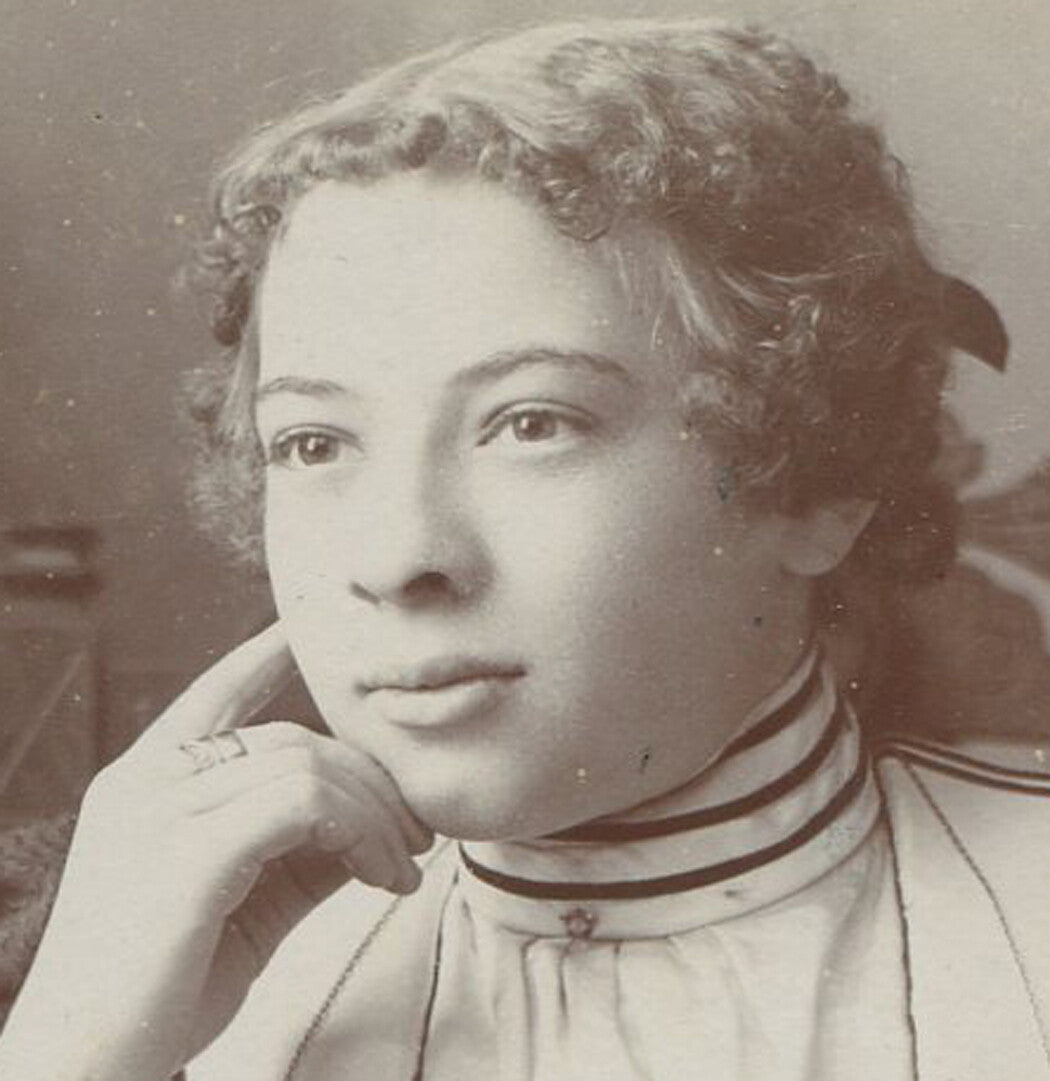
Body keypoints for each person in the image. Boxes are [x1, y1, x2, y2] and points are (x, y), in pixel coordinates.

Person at [2, 16, 1049, 1081]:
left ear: (820, 483)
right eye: (313, 443)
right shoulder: (163, 987)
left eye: (532, 423)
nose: (398, 554)